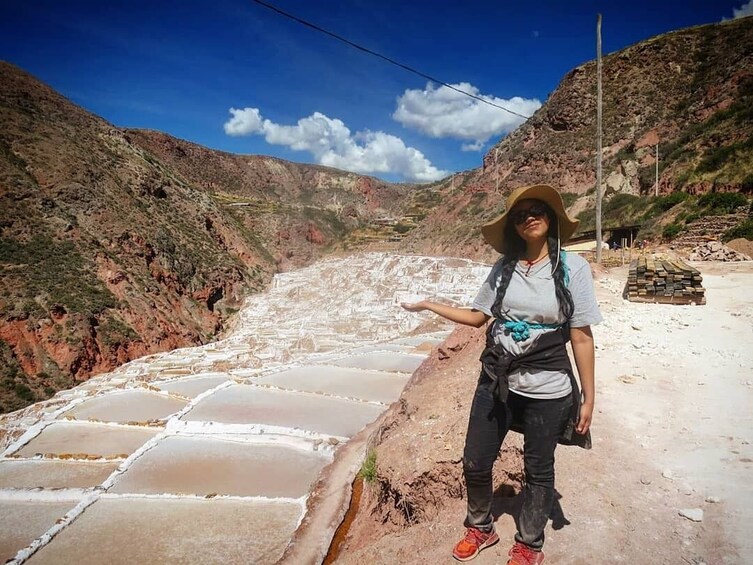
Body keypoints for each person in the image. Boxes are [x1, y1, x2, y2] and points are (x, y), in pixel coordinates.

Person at [401, 184, 601, 565]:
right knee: (475, 459)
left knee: (538, 468)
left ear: (552, 217)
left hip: (548, 386)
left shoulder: (573, 268)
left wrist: (589, 397)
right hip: (496, 378)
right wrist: (427, 304)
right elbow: (479, 317)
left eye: (537, 209)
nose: (529, 216)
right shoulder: (505, 267)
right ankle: (481, 526)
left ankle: (529, 543)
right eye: (520, 212)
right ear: (513, 225)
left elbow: (581, 334)